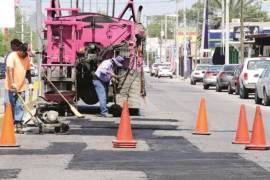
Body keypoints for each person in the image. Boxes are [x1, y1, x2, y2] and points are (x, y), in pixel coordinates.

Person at [4, 43, 32, 133]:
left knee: (20, 106)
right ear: (20, 51)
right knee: (10, 105)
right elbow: (9, 70)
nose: (26, 55)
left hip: (22, 86)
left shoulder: (27, 57)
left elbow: (27, 71)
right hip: (10, 86)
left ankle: (18, 123)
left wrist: (30, 83)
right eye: (25, 53)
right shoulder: (12, 56)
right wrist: (12, 83)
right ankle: (10, 123)